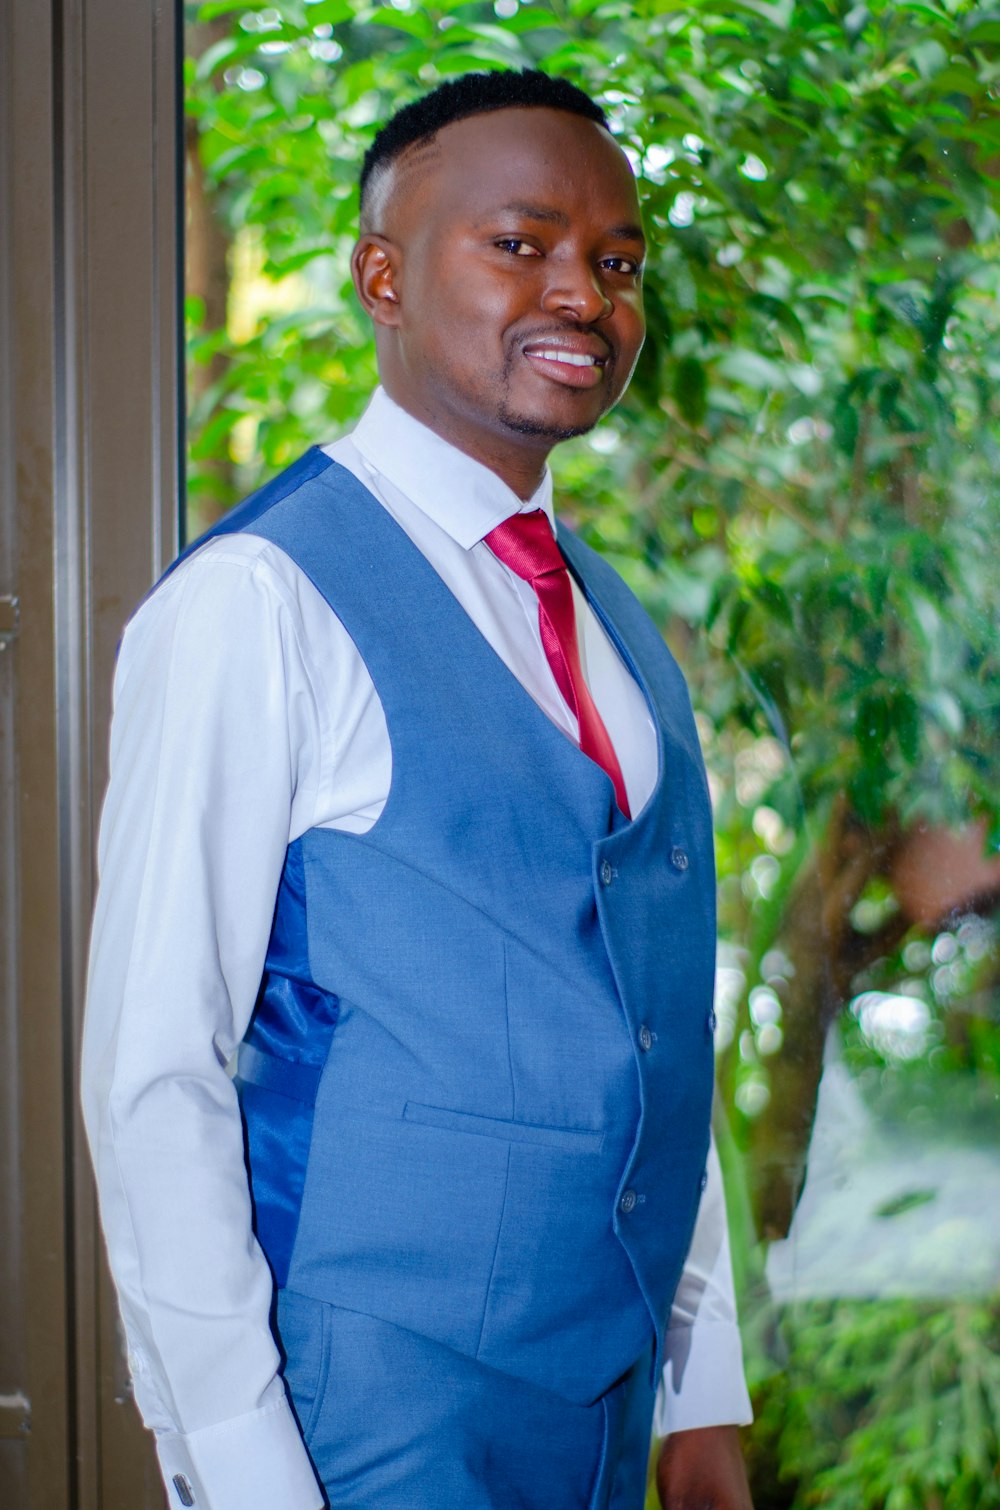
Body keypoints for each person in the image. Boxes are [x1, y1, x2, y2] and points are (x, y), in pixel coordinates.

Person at [82, 68, 753, 1510]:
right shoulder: (255, 603)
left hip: (608, 1408)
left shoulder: (620, 629)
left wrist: (704, 1396)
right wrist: (249, 1476)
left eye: (618, 261)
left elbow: (653, 1033)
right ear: (381, 274)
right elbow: (153, 1077)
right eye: (521, 243)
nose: (582, 291)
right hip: (366, 1425)